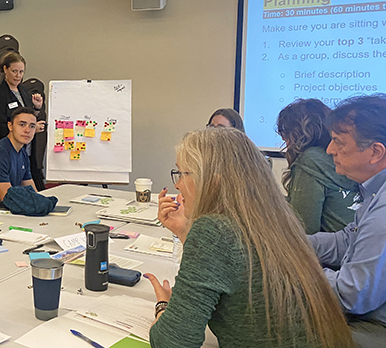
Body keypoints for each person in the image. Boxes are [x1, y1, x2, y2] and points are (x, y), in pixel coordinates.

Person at [145, 128, 353, 348]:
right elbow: (229, 273)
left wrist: (163, 308)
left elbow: (173, 342)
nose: (177, 185)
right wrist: (185, 231)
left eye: (183, 173)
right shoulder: (274, 218)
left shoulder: (214, 230)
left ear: (213, 181)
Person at [309, 94, 386, 346]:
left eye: (338, 142)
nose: (330, 150)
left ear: (375, 152)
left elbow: (352, 294)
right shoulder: (374, 191)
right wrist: (287, 243)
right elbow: (346, 241)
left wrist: (293, 268)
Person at [276, 98, 359, 234]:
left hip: (331, 251)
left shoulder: (310, 160)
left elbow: (304, 229)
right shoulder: (344, 157)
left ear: (296, 134)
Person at [0, 52, 46, 189]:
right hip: (9, 150)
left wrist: (36, 109)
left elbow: (27, 116)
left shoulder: (23, 90)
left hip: (26, 150)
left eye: (21, 72)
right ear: (5, 70)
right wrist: (31, 128)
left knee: (35, 187)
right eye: (14, 71)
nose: (18, 76)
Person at [0, 107, 37, 208]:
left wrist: (42, 203)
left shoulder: (22, 153)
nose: (27, 130)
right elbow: (7, 198)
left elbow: (29, 185)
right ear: (10, 126)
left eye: (32, 126)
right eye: (22, 125)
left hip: (13, 206)